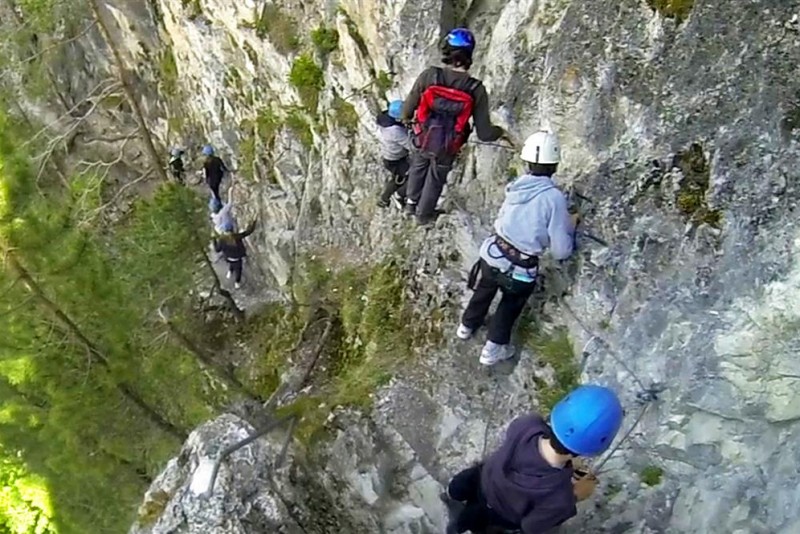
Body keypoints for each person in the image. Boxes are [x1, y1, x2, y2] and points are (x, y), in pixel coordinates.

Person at [456, 130, 576, 365]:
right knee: (510, 304)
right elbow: (561, 250)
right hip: (520, 269)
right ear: (555, 164)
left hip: (492, 255)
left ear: (527, 161)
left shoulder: (516, 186)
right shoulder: (554, 198)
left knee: (484, 289)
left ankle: (467, 325)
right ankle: (492, 350)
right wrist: (570, 229)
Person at [444, 385, 624, 534]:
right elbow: (531, 526)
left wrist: (569, 463)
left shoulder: (527, 425)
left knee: (460, 500)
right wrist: (575, 495)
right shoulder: (560, 496)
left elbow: (544, 444)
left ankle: (454, 503)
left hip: (482, 480)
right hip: (497, 517)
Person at [401, 27, 509, 225]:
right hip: (448, 145)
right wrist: (501, 132)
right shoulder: (476, 89)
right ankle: (424, 216)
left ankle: (410, 204)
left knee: (418, 164)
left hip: (423, 136)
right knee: (436, 177)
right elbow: (484, 133)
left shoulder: (429, 76)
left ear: (446, 50)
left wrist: (408, 119)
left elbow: (408, 108)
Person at [376, 99, 412, 209]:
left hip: (391, 158)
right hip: (396, 159)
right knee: (411, 176)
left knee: (398, 178)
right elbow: (410, 145)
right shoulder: (395, 131)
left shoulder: (385, 121)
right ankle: (399, 195)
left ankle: (384, 199)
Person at [213, 220, 256, 290]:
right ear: (232, 229)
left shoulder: (222, 240)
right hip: (237, 258)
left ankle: (230, 272)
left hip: (228, 258)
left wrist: (214, 241)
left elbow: (217, 250)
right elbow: (248, 232)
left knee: (232, 263)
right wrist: (253, 223)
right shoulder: (237, 237)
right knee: (238, 270)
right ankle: (237, 282)